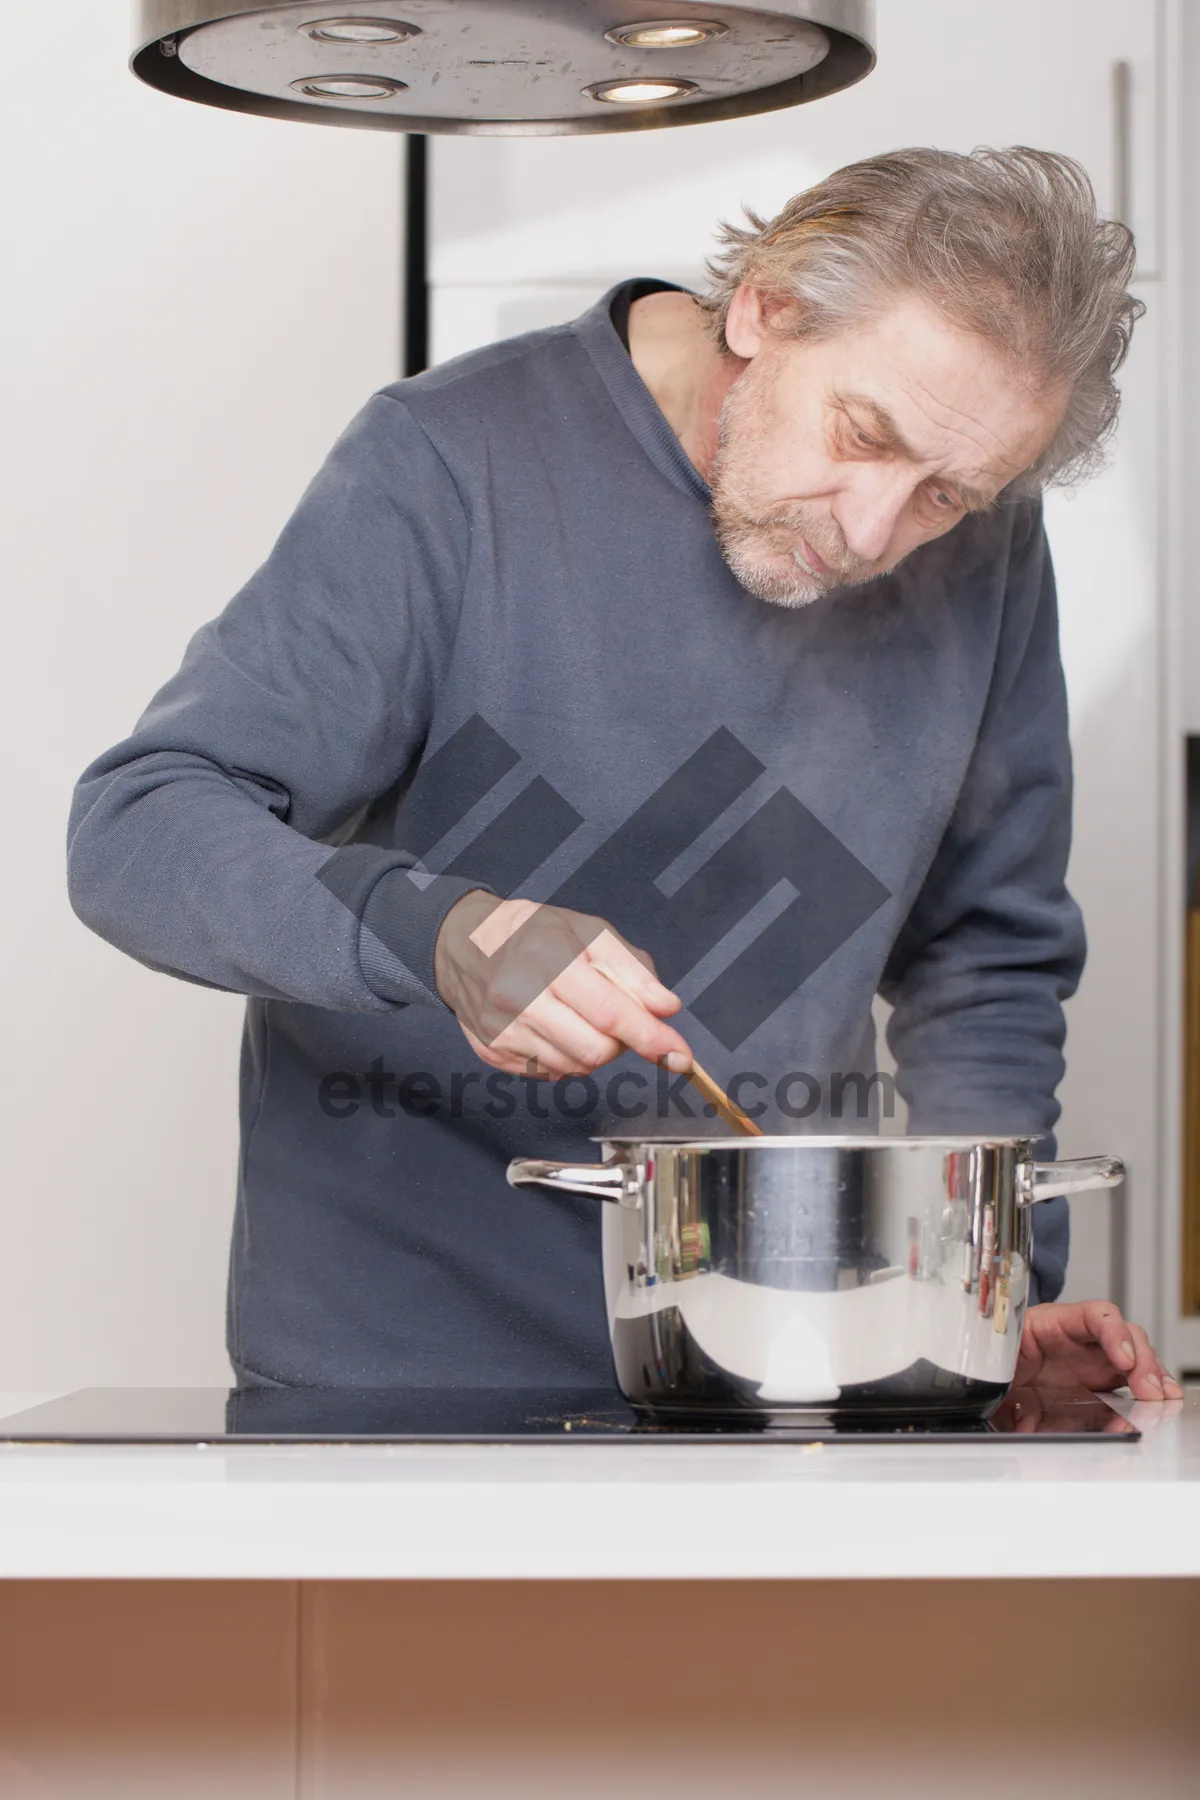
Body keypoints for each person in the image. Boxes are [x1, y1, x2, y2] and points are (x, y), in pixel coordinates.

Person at [68, 146, 1179, 1401]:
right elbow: (137, 825)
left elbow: (989, 957)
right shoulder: (448, 465)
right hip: (394, 1377)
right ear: (763, 306)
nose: (874, 532)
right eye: (862, 436)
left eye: (945, 494)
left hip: (795, 1367)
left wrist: (988, 1302)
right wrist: (439, 933)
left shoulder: (985, 544)